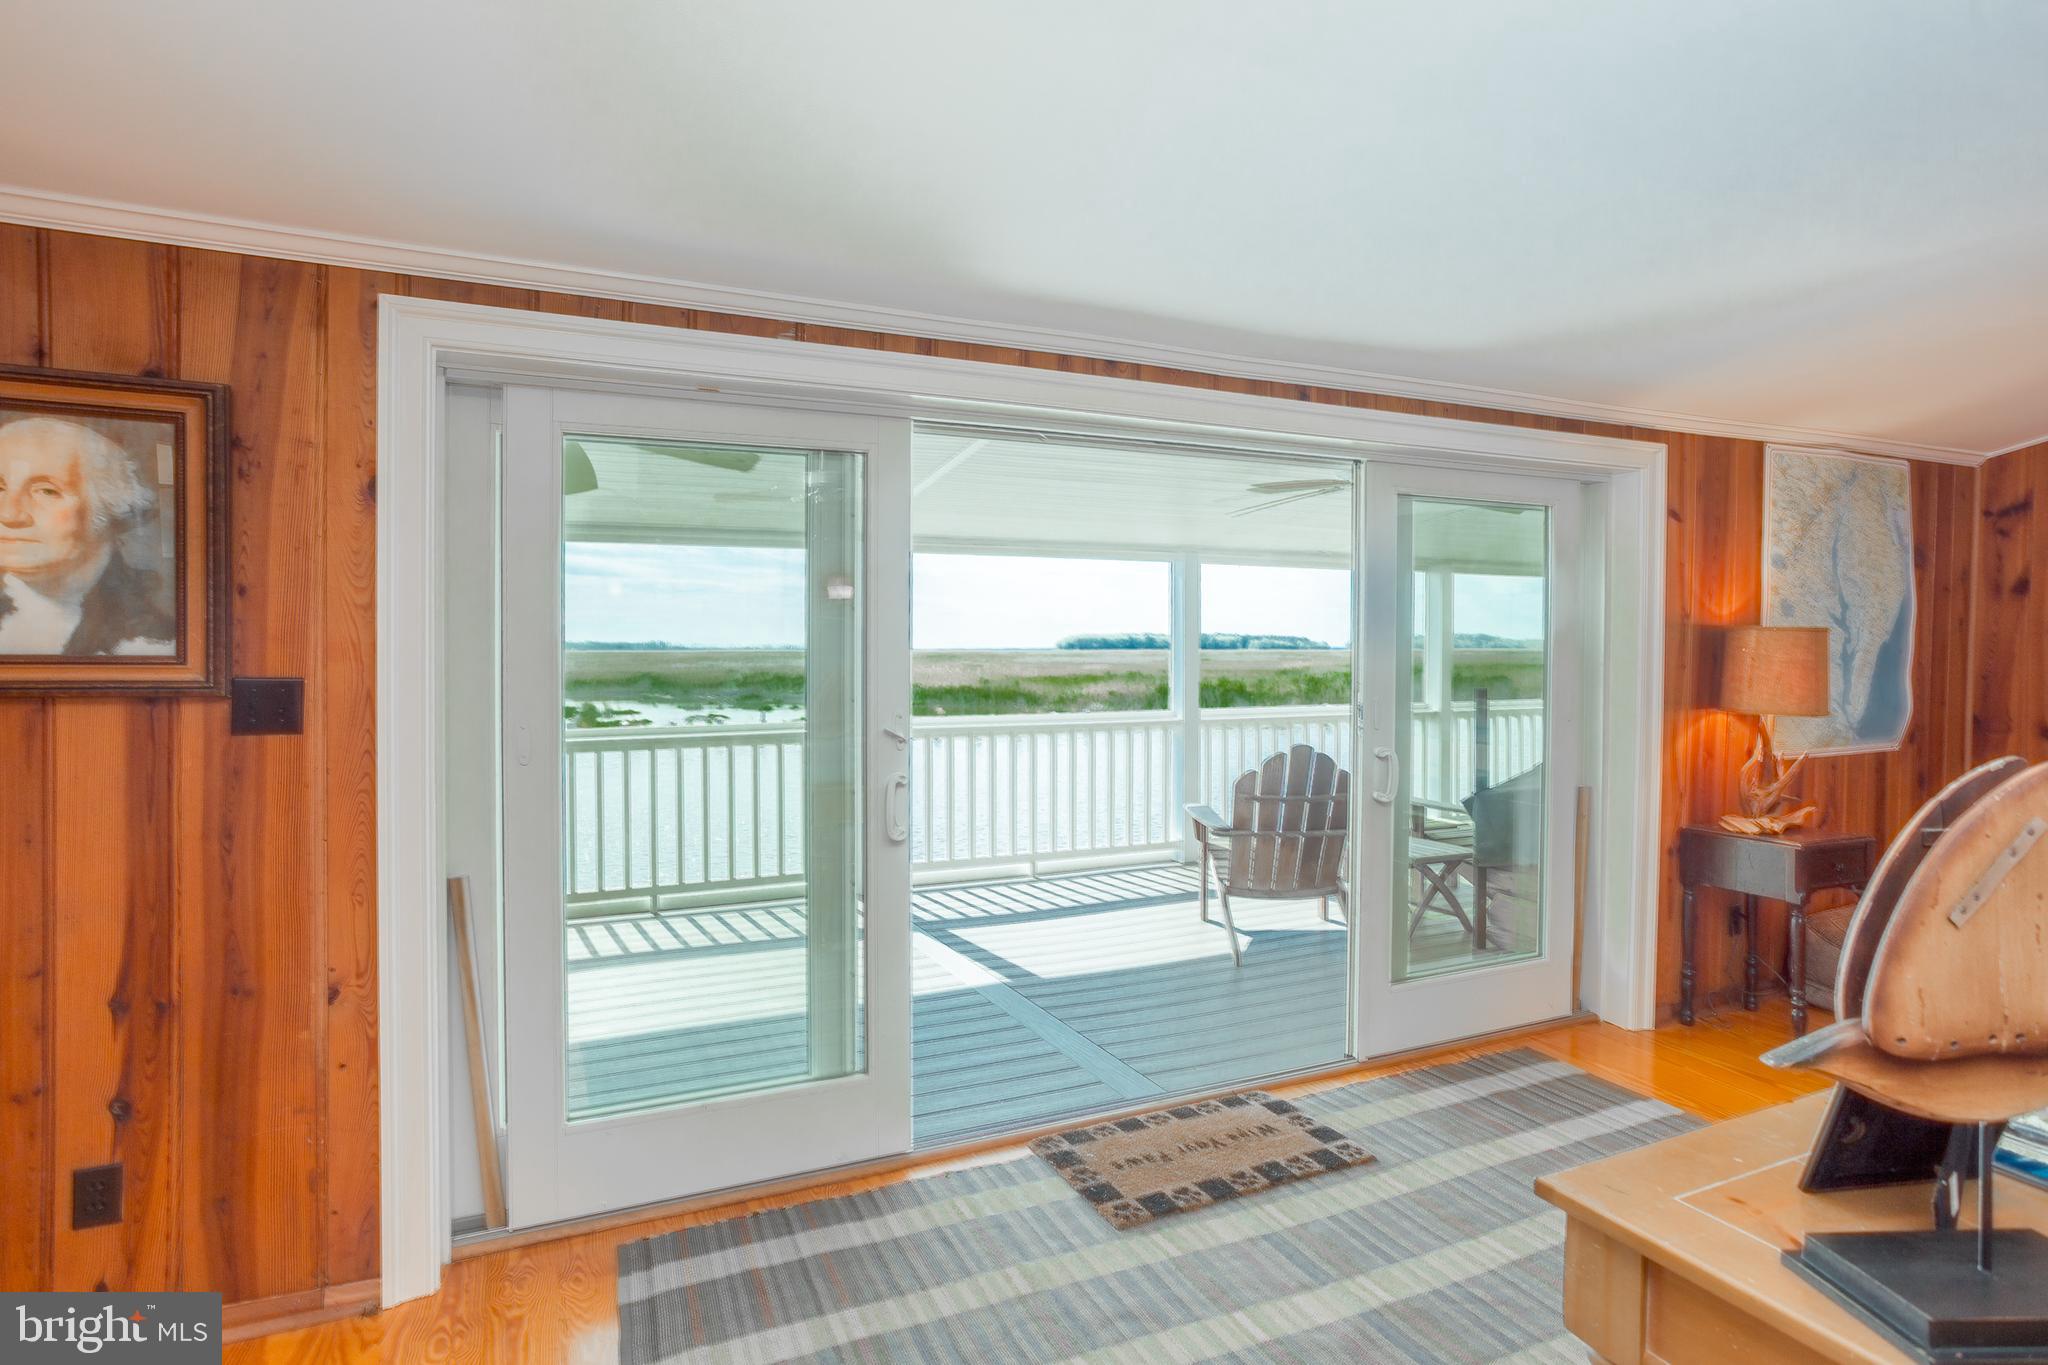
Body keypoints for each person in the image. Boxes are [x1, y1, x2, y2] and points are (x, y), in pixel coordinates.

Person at [0, 415, 174, 656]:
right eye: (0, 488)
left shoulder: (154, 642)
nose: (8, 514)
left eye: (47, 491)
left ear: (110, 505)